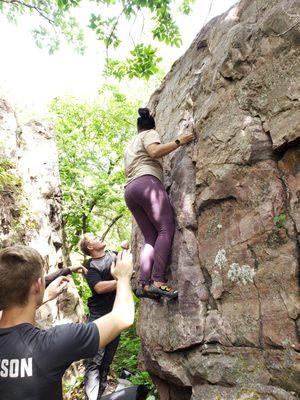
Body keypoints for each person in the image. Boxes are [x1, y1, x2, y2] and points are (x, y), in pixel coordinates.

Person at [0, 244, 134, 400]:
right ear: (38, 285)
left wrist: (42, 298)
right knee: (132, 394)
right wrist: (123, 277)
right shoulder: (52, 344)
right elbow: (124, 316)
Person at [124, 108, 195, 299]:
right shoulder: (150, 133)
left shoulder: (129, 145)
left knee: (150, 237)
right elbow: (154, 151)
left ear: (137, 127)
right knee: (165, 228)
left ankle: (144, 284)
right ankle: (158, 282)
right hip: (147, 183)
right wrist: (179, 141)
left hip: (130, 190)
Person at [79, 233, 124, 399]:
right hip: (98, 318)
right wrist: (122, 280)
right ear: (90, 248)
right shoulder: (91, 267)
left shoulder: (114, 255)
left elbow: (128, 261)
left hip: (116, 315)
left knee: (106, 362)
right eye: (94, 238)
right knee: (94, 362)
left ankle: (100, 395)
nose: (99, 237)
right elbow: (99, 287)